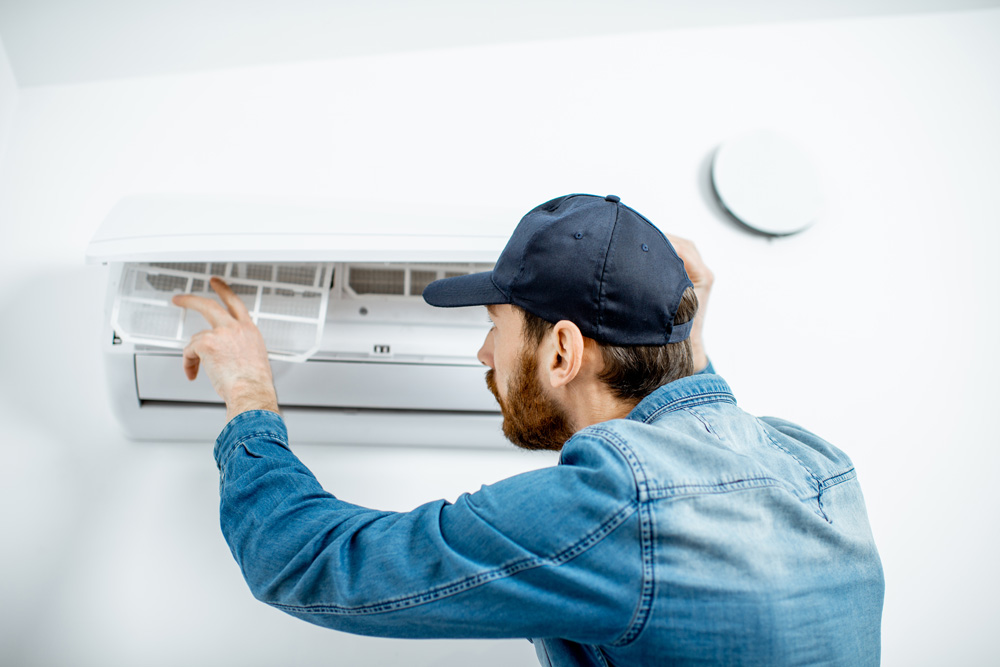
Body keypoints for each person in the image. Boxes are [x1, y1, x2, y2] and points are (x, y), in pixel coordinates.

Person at [173, 193, 884, 666]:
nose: (485, 354)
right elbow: (703, 432)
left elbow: (310, 561)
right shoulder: (817, 464)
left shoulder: (611, 508)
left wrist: (248, 389)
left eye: (496, 329)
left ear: (563, 352)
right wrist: (682, 330)